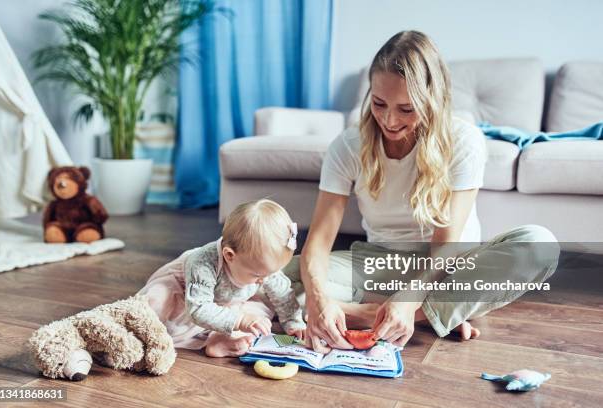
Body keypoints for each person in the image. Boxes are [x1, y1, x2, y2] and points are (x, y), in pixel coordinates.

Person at [283, 31, 560, 354]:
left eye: (406, 109)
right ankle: (424, 315)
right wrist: (318, 300)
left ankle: (388, 313)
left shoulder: (463, 141)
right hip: (381, 264)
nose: (389, 119)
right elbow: (319, 239)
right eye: (379, 103)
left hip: (447, 266)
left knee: (539, 244)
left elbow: (446, 246)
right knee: (276, 274)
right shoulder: (347, 146)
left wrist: (411, 297)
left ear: (433, 101)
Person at [139, 199, 306, 357]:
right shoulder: (202, 263)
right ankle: (142, 333)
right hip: (185, 299)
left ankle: (219, 340)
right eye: (258, 275)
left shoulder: (262, 269)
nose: (265, 280)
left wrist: (294, 322)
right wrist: (240, 320)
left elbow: (282, 295)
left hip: (224, 303)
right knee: (155, 307)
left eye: (271, 273)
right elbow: (198, 309)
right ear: (229, 255)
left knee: (259, 314)